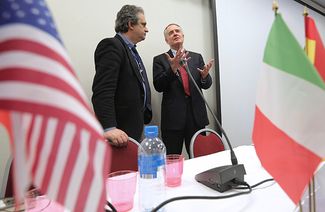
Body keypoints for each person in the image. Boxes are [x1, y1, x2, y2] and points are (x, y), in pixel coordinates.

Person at [92, 5, 152, 146]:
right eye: (143, 24)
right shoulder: (111, 46)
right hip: (119, 131)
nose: (147, 29)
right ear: (131, 24)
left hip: (135, 125)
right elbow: (103, 91)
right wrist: (109, 127)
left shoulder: (132, 50)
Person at [153, 23, 214, 155]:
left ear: (183, 35)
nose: (175, 33)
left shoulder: (196, 57)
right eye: (171, 33)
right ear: (166, 40)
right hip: (173, 119)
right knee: (172, 159)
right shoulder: (160, 59)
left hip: (196, 116)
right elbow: (158, 86)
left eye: (177, 31)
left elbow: (206, 84)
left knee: (199, 158)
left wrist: (205, 76)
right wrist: (173, 68)